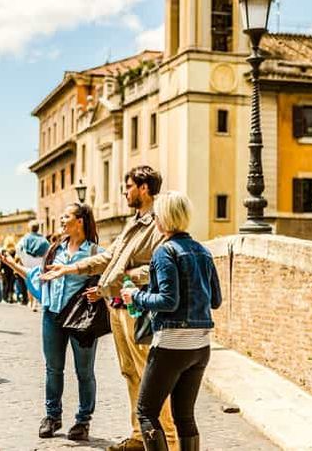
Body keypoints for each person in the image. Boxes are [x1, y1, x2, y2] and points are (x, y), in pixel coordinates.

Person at [43, 166, 176, 451]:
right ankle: (140, 436)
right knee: (129, 372)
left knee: (149, 375)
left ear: (143, 188)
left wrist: (125, 277)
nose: (124, 192)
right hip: (118, 306)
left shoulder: (159, 223)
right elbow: (108, 257)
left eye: (128, 186)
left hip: (139, 308)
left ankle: (166, 439)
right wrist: (69, 268)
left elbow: (160, 267)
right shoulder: (133, 222)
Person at [121, 191, 218, 451]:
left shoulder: (165, 252)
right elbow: (216, 300)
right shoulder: (204, 252)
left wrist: (135, 295)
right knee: (184, 417)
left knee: (146, 412)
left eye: (156, 216)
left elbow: (168, 301)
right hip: (200, 348)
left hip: (171, 346)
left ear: (163, 218)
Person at [0, 203, 102, 442]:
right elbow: (38, 276)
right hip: (52, 316)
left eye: (66, 216)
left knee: (84, 371)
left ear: (80, 221)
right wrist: (11, 264)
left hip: (81, 319)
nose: (61, 221)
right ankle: (52, 416)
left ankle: (83, 420)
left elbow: (111, 279)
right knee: (53, 369)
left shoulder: (95, 251)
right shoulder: (56, 249)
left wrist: (101, 291)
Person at [17, 220, 49, 312]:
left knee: (29, 280)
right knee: (38, 281)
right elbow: (48, 250)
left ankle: (31, 302)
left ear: (29, 228)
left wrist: (21, 260)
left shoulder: (25, 238)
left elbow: (18, 249)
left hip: (27, 261)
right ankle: (35, 302)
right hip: (39, 261)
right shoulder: (43, 239)